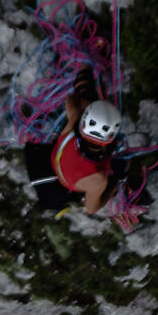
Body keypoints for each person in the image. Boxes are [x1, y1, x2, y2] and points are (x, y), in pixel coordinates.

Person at [48, 78, 131, 216]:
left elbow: (71, 98)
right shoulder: (98, 179)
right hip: (68, 181)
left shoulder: (75, 119)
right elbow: (91, 208)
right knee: (124, 165)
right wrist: (115, 185)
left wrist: (90, 107)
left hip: (58, 159)